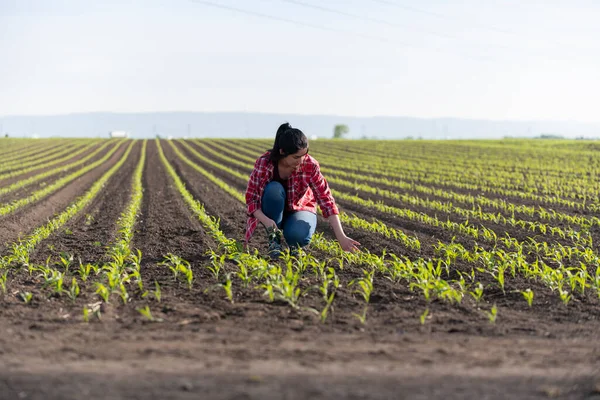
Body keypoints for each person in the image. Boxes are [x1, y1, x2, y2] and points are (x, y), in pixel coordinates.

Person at [244, 122, 360, 259]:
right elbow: (251, 199)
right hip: (273, 211)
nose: (301, 160)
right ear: (282, 152)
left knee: (298, 235)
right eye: (296, 157)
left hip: (299, 209)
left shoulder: (310, 165)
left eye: (304, 155)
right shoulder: (264, 163)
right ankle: (274, 240)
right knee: (273, 189)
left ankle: (295, 246)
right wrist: (267, 222)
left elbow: (326, 199)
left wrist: (341, 236)